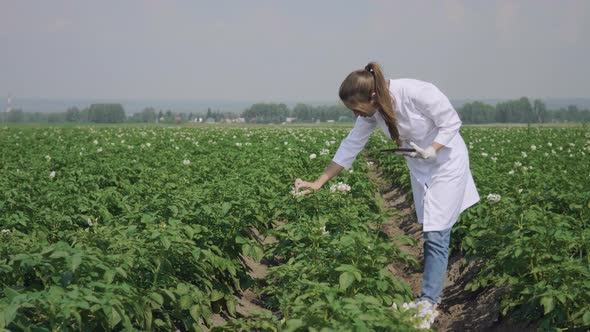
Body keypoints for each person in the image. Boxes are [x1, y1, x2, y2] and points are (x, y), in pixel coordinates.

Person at [294, 62, 480, 328]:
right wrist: (318, 182)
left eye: (357, 109)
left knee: (436, 233)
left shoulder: (417, 92)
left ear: (372, 96)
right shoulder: (372, 112)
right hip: (421, 168)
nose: (357, 116)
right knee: (431, 227)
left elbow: (451, 122)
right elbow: (350, 146)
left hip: (447, 163)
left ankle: (428, 304)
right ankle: (427, 300)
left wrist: (433, 148)